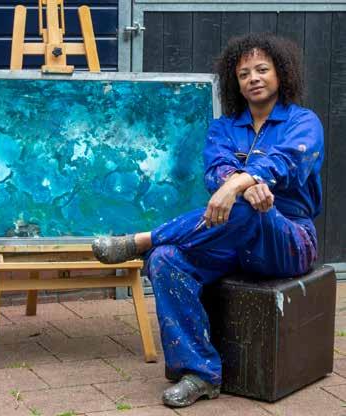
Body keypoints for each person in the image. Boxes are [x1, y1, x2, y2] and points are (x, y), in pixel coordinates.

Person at [92, 32, 324, 408]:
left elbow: (286, 162)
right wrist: (239, 187)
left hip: (288, 238)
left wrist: (241, 184)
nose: (253, 78)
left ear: (281, 73)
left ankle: (142, 239)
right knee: (165, 260)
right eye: (244, 73)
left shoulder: (304, 122)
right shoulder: (224, 127)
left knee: (247, 207)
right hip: (231, 239)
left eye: (262, 69)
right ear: (235, 82)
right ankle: (198, 372)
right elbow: (216, 170)